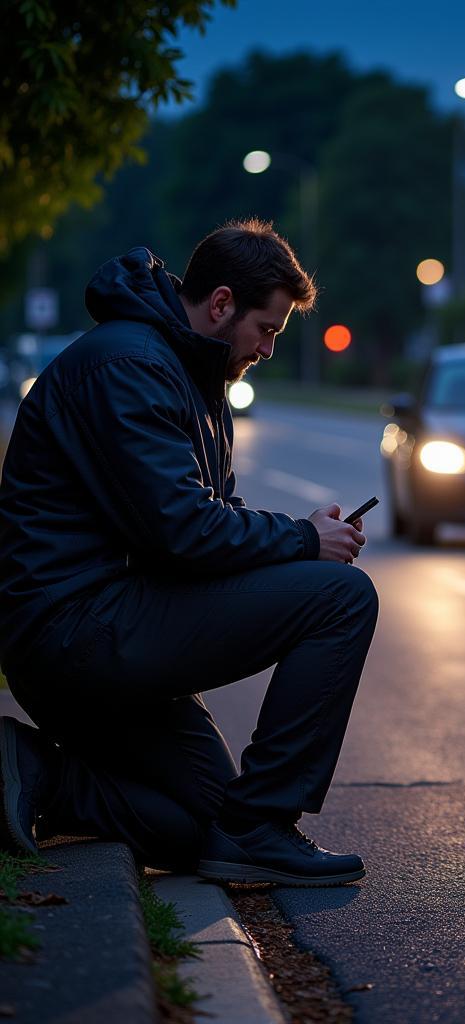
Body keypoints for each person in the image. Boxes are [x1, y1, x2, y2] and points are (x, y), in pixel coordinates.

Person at [0, 219, 378, 886]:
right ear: (222, 303)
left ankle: (40, 774)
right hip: (75, 630)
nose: (267, 349)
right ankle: (263, 827)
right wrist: (302, 540)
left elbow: (207, 522)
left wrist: (302, 539)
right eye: (267, 329)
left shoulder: (190, 374)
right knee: (341, 598)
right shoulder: (130, 367)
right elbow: (182, 533)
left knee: (199, 830)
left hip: (115, 623)